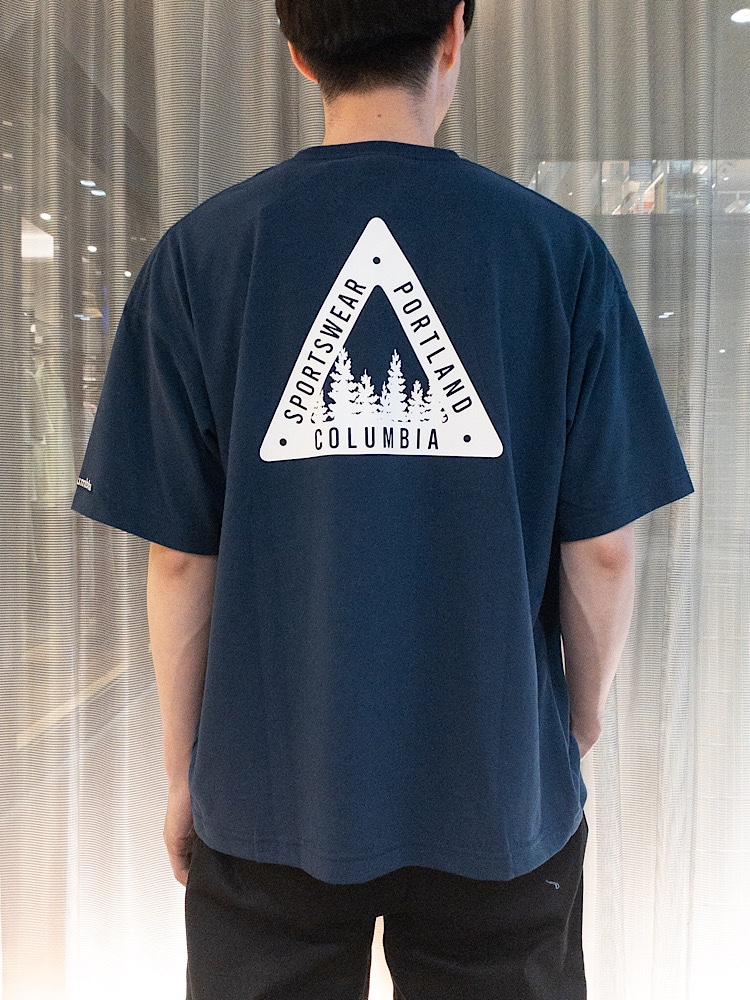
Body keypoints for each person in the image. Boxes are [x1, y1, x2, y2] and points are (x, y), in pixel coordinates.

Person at [71, 1, 694, 997]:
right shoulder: (558, 254)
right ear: (453, 32)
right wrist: (570, 731)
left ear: (295, 51)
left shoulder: (202, 254)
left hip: (269, 795)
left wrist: (185, 771)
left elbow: (183, 558)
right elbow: (605, 550)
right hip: (494, 790)